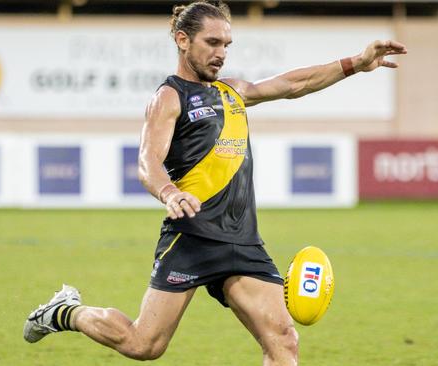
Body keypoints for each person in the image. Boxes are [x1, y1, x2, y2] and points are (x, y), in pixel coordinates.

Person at [23, 1, 407, 365]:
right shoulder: (169, 97)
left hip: (243, 241)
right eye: (212, 42)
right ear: (183, 40)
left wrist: (355, 63)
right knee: (144, 344)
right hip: (192, 238)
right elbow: (147, 162)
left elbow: (295, 83)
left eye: (226, 44)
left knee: (284, 339)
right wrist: (169, 192)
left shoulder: (232, 91)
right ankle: (65, 311)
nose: (221, 52)